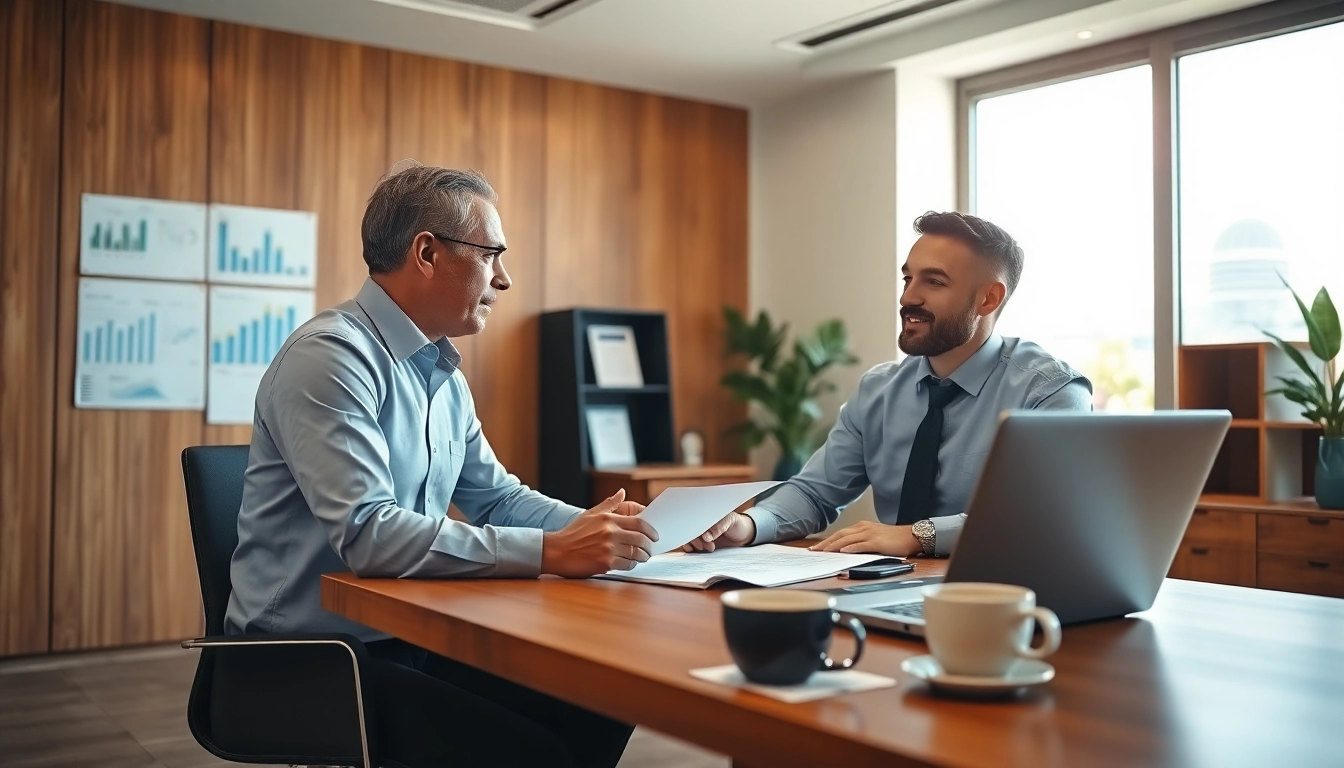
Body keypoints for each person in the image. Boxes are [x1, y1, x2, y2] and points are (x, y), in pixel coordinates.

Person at [225, 163, 652, 768]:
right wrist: (554, 551)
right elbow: (370, 533)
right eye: (491, 254)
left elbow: (498, 498)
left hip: (412, 633)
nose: (504, 279)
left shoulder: (441, 376)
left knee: (605, 696)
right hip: (310, 661)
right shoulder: (331, 357)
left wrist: (613, 531)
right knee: (536, 749)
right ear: (426, 252)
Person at [686, 211, 1093, 558]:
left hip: (1006, 598)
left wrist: (918, 535)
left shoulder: (1051, 393)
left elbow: (1041, 516)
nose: (908, 298)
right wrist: (746, 525)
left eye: (933, 282)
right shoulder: (879, 390)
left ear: (988, 299)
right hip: (890, 588)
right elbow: (815, 494)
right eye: (907, 279)